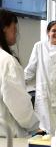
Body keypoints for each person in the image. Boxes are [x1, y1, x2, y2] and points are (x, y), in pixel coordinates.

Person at [0, 9, 39, 137]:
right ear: (5, 28)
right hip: (8, 138)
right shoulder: (7, 62)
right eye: (14, 28)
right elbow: (20, 107)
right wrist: (35, 126)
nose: (16, 32)